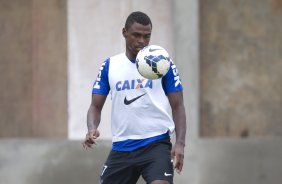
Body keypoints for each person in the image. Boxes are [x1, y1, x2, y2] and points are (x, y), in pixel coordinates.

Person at [83, 11, 186, 184]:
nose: (142, 41)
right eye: (136, 35)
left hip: (156, 144)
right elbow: (95, 106)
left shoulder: (162, 63)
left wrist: (180, 144)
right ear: (124, 32)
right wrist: (91, 128)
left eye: (147, 36)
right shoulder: (110, 65)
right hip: (122, 147)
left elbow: (178, 105)